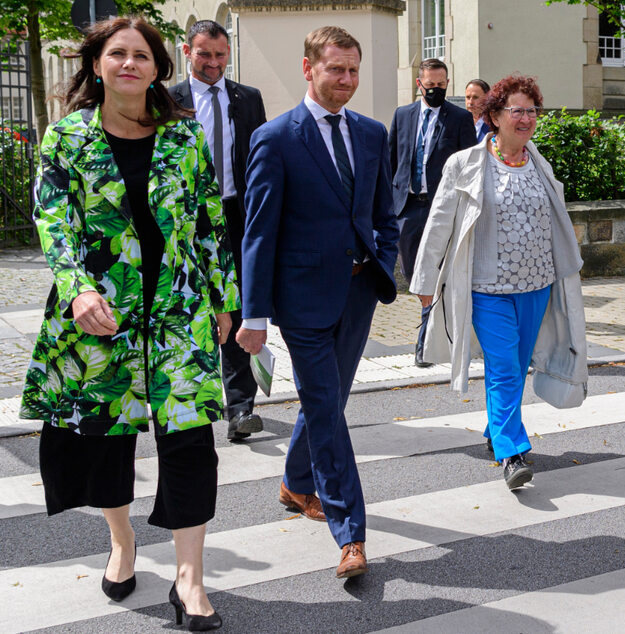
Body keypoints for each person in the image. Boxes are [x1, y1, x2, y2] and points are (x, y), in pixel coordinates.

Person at [21, 17, 238, 630]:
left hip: (179, 310)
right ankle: (122, 542)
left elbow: (207, 223)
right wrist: (76, 288)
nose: (129, 64)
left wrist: (224, 299)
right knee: (106, 439)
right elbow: (54, 220)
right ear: (97, 65)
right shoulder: (65, 138)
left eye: (141, 55)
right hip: (102, 313)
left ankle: (190, 580)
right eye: (117, 54)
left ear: (157, 69)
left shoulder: (184, 138)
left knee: (190, 440)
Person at [237, 26, 399, 579]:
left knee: (328, 402)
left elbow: (383, 212)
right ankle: (350, 533)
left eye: (353, 70)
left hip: (357, 295)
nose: (347, 80)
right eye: (336, 70)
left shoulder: (373, 133)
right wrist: (253, 315)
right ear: (308, 69)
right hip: (301, 300)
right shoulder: (276, 138)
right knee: (327, 409)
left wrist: (385, 254)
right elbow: (258, 233)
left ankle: (294, 482)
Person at [410, 74, 587, 490]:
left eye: (531, 110)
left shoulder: (539, 163)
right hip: (487, 288)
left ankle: (496, 428)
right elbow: (439, 223)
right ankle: (512, 451)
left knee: (516, 365)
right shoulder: (466, 164)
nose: (525, 118)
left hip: (537, 286)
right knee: (505, 367)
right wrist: (424, 279)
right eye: (516, 110)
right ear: (493, 116)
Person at [170, 20, 267, 441]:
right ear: (188, 52)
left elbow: (259, 159)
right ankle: (186, 397)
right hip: (185, 219)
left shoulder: (248, 98)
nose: (213, 63)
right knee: (192, 306)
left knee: (240, 305)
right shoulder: (166, 99)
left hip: (236, 214)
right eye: (205, 54)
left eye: (220, 55)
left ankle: (241, 407)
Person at [389, 59, 476, 367]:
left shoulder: (460, 119)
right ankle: (431, 320)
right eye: (431, 85)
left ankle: (425, 342)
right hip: (408, 208)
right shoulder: (403, 115)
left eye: (442, 85)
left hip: (443, 209)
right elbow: (392, 161)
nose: (436, 90)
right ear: (419, 84)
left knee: (438, 274)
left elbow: (469, 167)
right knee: (416, 275)